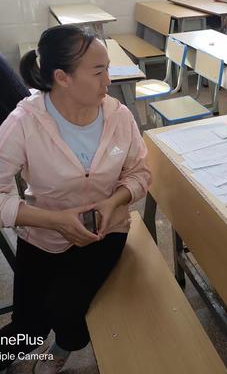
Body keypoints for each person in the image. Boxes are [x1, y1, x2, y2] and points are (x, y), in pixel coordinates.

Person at [0, 25, 151, 374]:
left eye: (108, 69)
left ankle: (64, 347)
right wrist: (53, 220)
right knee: (27, 328)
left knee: (66, 308)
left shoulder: (119, 117)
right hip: (43, 233)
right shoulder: (24, 122)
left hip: (105, 233)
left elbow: (140, 174)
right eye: (99, 72)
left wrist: (114, 202)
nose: (108, 80)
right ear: (62, 78)